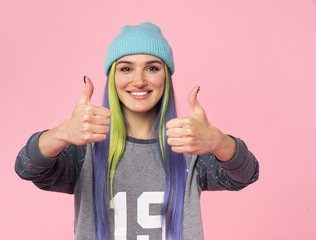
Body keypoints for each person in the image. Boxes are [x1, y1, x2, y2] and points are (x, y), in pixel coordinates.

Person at [15, 22, 259, 240]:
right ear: (112, 77)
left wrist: (219, 142)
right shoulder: (86, 150)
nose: (140, 80)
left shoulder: (189, 144)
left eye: (152, 68)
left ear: (166, 76)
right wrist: (60, 133)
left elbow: (245, 175)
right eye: (126, 69)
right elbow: (28, 168)